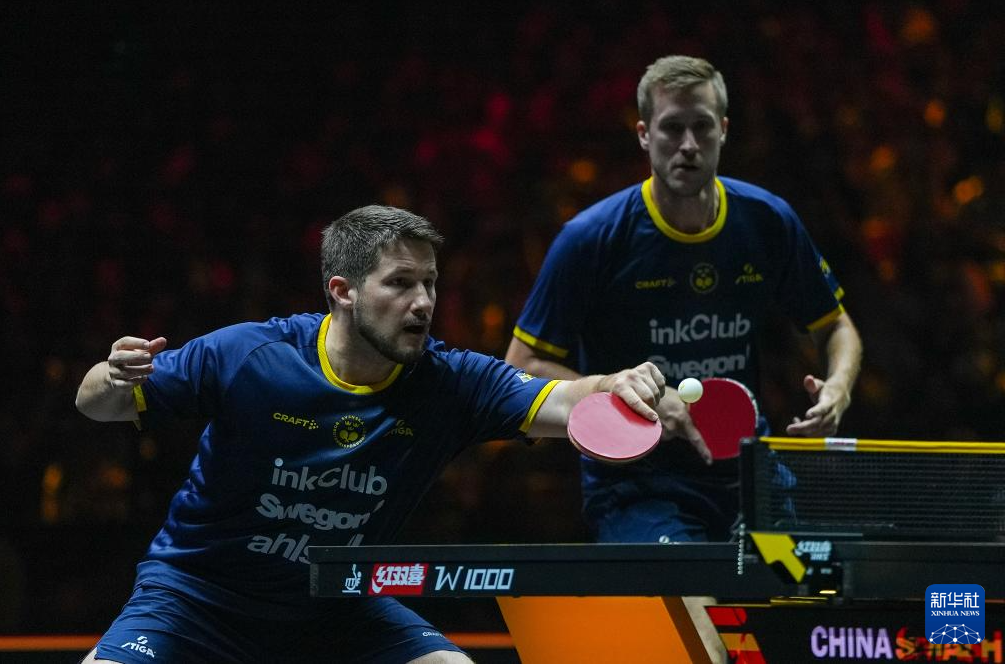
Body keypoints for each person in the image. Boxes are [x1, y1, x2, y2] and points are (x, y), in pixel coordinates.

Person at [75, 205, 666, 664]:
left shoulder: (451, 382)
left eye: (430, 283)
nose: (423, 303)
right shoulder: (249, 355)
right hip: (198, 598)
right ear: (343, 290)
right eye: (400, 283)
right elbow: (96, 403)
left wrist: (612, 383)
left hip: (337, 604)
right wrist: (113, 374)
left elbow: (564, 402)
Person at [506, 55, 863, 545]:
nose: (689, 145)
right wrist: (632, 398)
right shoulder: (590, 240)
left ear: (724, 130)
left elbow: (836, 326)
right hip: (637, 485)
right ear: (644, 135)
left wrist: (838, 388)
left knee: (806, 583)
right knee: (686, 592)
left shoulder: (767, 220)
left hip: (747, 472)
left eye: (702, 127)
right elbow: (521, 367)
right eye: (673, 128)